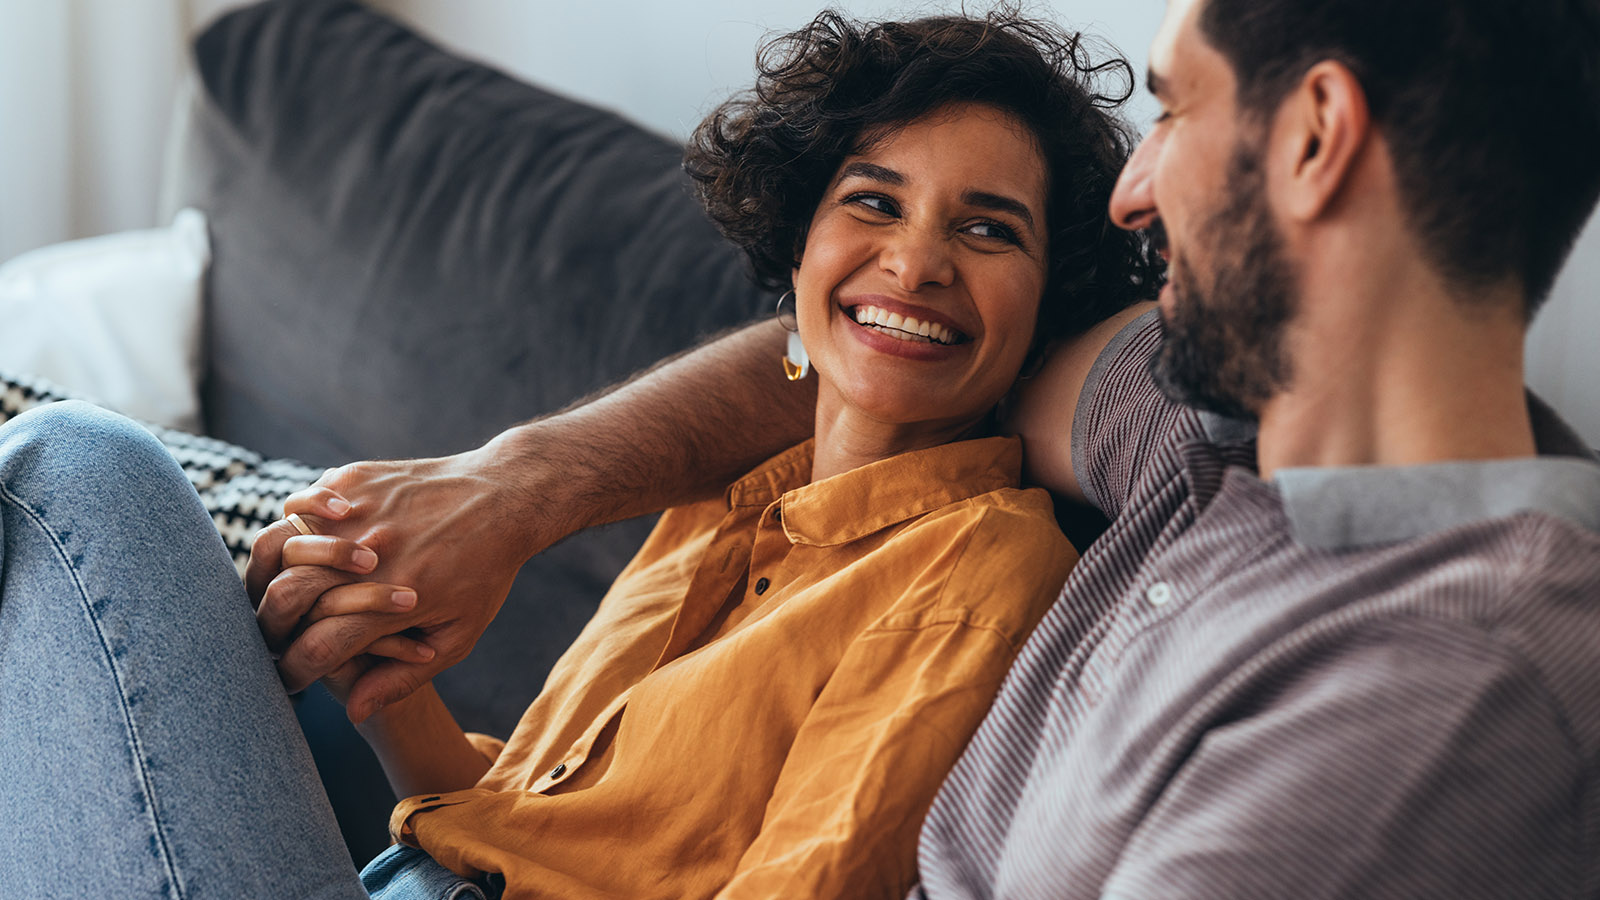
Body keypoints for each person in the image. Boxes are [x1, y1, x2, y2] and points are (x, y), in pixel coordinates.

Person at [266, 0, 1600, 895]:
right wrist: (515, 491)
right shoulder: (1190, 430)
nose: (1138, 195)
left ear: (1314, 139)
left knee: (85, 482)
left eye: (1180, 111)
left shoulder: (1440, 692)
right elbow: (882, 354)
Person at [0, 11, 1163, 899]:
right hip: (393, 870)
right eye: (873, 202)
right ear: (799, 242)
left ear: (1047, 297)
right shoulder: (724, 500)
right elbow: (530, 824)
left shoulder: (982, 575)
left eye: (984, 227)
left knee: (77, 474)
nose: (913, 264)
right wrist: (393, 697)